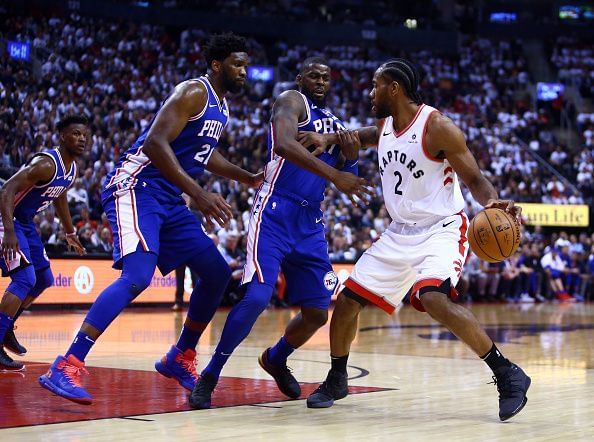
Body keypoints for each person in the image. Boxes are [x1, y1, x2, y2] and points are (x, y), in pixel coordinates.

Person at [302, 59, 531, 422]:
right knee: (346, 302)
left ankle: (507, 373)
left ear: (394, 88)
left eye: (375, 85)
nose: (370, 92)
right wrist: (328, 138)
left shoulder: (437, 126)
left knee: (432, 297)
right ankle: (337, 377)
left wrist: (490, 202)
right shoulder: (386, 124)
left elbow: (473, 177)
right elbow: (363, 135)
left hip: (441, 227)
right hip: (399, 231)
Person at [39, 33, 263, 404]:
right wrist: (199, 193)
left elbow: (205, 155)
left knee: (217, 274)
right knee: (137, 277)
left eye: (246, 66)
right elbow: (155, 144)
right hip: (136, 186)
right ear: (217, 65)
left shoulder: (222, 108)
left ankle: (181, 356)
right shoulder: (194, 91)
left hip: (168, 198)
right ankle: (67, 363)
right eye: (238, 64)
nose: (244, 71)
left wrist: (247, 176)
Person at [189, 57, 370, 409]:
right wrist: (338, 174)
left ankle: (275, 357)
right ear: (301, 78)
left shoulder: (336, 125)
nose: (320, 81)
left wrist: (349, 159)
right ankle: (209, 374)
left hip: (310, 222)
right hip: (273, 211)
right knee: (257, 297)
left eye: (325, 78)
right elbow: (286, 145)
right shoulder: (291, 100)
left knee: (318, 312)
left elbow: (347, 170)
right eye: (313, 76)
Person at [0, 115, 87, 371]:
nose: (81, 139)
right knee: (24, 279)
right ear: (62, 137)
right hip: (8, 219)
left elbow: (59, 196)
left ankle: (6, 327)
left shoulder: (71, 170)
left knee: (44, 279)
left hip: (25, 222)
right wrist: (8, 230)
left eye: (84, 135)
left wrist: (70, 232)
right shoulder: (45, 164)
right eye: (75, 134)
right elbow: (7, 190)